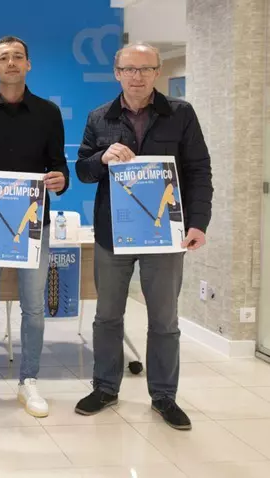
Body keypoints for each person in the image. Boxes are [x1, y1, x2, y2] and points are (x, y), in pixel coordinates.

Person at [74, 42, 212, 431]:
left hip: (164, 234)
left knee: (164, 320)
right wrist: (101, 158)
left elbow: (199, 170)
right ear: (117, 73)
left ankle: (164, 396)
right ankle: (105, 388)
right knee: (107, 316)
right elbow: (83, 170)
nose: (137, 76)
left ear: (157, 72)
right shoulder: (99, 117)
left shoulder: (181, 114)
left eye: (146, 69)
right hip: (112, 235)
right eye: (129, 69)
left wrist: (198, 223)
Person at [0, 36, 69, 418]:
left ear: (28, 64)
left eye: (18, 57)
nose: (11, 63)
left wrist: (61, 179)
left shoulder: (48, 113)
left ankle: (28, 380)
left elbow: (59, 165)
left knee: (34, 307)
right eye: (4, 58)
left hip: (34, 223)